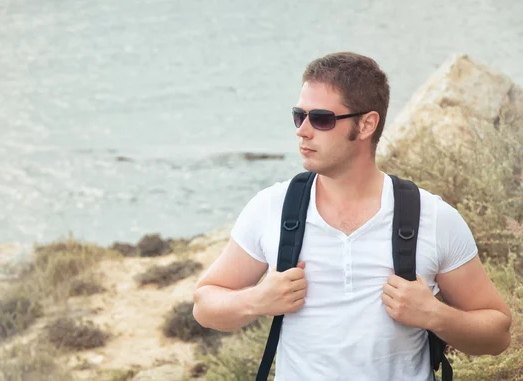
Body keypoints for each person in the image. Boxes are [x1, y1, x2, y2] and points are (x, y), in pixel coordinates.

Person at [192, 52, 512, 380]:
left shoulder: (431, 217)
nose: (303, 131)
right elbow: (205, 305)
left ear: (366, 124)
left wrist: (435, 315)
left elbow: (498, 333)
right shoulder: (271, 208)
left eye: (321, 119)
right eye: (298, 115)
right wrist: (257, 300)